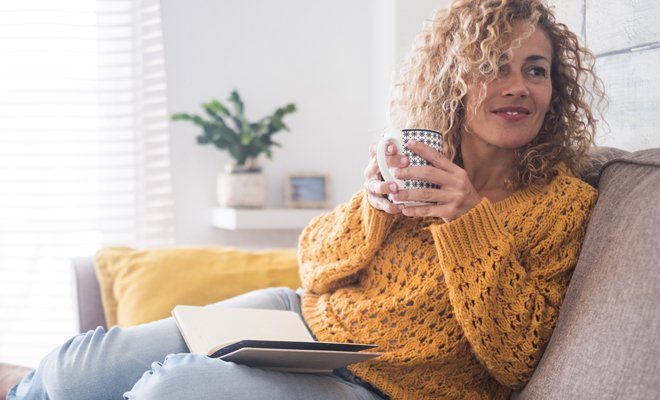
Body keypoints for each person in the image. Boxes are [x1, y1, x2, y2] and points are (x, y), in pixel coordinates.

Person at [3, 0, 605, 399]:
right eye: (496, 66)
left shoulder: (564, 205)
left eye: (536, 70)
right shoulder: (420, 159)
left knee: (172, 387)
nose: (519, 87)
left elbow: (517, 358)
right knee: (78, 364)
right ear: (456, 81)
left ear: (556, 87)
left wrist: (467, 218)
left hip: (377, 387)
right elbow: (315, 267)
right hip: (297, 319)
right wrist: (372, 205)